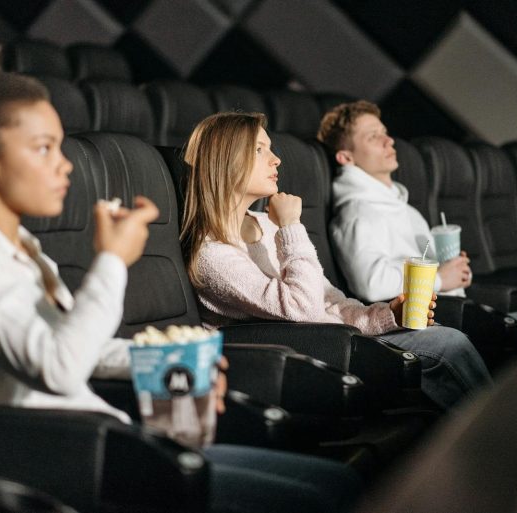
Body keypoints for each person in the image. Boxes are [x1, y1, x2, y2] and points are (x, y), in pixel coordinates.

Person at [0, 71, 360, 513]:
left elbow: (79, 350)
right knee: (317, 499)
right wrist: (112, 261)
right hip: (53, 460)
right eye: (43, 148)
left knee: (341, 481)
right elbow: (57, 366)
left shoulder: (22, 248)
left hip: (108, 435)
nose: (64, 164)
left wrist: (174, 366)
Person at [180, 111, 491, 411]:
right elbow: (302, 308)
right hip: (309, 358)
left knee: (447, 337)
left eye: (271, 149)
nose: (276, 159)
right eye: (260, 150)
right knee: (449, 345)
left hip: (341, 338)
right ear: (224, 162)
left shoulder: (267, 223)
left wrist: (385, 316)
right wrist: (291, 227)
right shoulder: (213, 254)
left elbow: (328, 299)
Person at [317, 100, 517, 347]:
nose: (388, 141)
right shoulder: (358, 211)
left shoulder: (403, 207)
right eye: (373, 137)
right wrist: (441, 278)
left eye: (385, 133)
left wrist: (454, 273)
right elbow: (370, 284)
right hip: (428, 324)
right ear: (346, 157)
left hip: (451, 310)